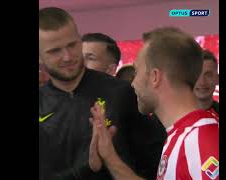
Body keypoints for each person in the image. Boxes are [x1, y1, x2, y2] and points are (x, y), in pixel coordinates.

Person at [39, 7, 166, 180]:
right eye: (55, 51)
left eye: (72, 45)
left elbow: (156, 161)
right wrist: (89, 167)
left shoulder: (121, 92)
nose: (68, 56)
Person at [89, 27, 219, 180]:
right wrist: (109, 156)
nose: (133, 84)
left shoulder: (198, 141)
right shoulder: (183, 135)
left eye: (136, 73)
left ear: (155, 77)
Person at [193, 49, 219, 114]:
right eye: (197, 74)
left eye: (208, 75)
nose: (202, 82)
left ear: (217, 79)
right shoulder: (169, 117)